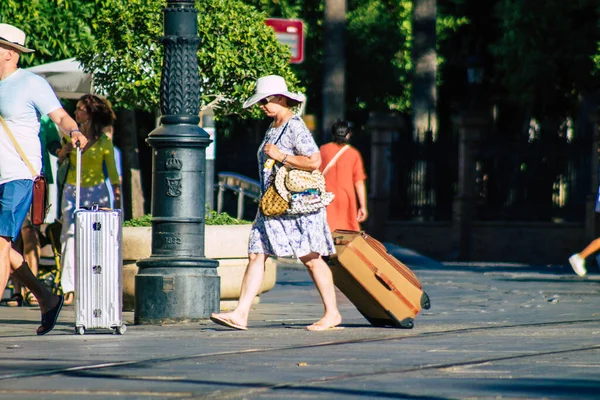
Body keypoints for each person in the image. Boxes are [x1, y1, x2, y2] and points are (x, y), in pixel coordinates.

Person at [210, 75, 341, 331]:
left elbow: (315, 161)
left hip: (295, 205)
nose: (262, 106)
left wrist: (282, 155)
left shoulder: (295, 126)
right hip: (272, 204)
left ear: (281, 99)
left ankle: (332, 313)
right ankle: (241, 313)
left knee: (311, 258)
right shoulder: (274, 126)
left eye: (266, 100)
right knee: (256, 254)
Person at [0, 23, 88, 335]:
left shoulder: (31, 83)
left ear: (10, 53)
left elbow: (60, 116)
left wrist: (74, 130)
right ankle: (47, 297)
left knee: (0, 244)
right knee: (5, 249)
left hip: (18, 175)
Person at [57, 94, 120, 305]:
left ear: (90, 113)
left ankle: (96, 282)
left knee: (98, 237)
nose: (76, 113)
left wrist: (116, 195)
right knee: (69, 235)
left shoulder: (104, 142)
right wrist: (63, 152)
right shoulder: (70, 135)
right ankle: (69, 287)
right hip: (72, 190)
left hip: (97, 192)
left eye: (80, 109)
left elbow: (112, 171)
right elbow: (60, 158)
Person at [6, 115, 61, 307]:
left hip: (31, 181)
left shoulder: (44, 118)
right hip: (7, 179)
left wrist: (62, 151)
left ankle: (32, 291)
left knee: (28, 233)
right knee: (10, 240)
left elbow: (54, 142)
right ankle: (19, 290)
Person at [319, 120, 368, 232]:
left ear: (332, 134)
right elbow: (359, 182)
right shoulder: (354, 154)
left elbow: (316, 173)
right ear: (348, 134)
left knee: (327, 232)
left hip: (327, 198)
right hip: (347, 199)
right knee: (347, 233)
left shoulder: (323, 150)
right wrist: (363, 206)